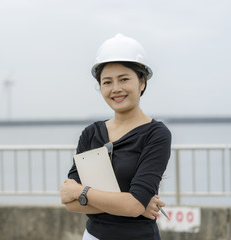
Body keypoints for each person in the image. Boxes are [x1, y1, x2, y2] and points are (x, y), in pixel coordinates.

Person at [60, 33, 172, 240]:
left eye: (124, 79)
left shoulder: (156, 134)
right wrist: (131, 204)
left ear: (142, 82)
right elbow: (69, 201)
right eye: (107, 82)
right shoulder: (91, 133)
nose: (116, 89)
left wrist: (81, 191)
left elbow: (132, 205)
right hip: (93, 236)